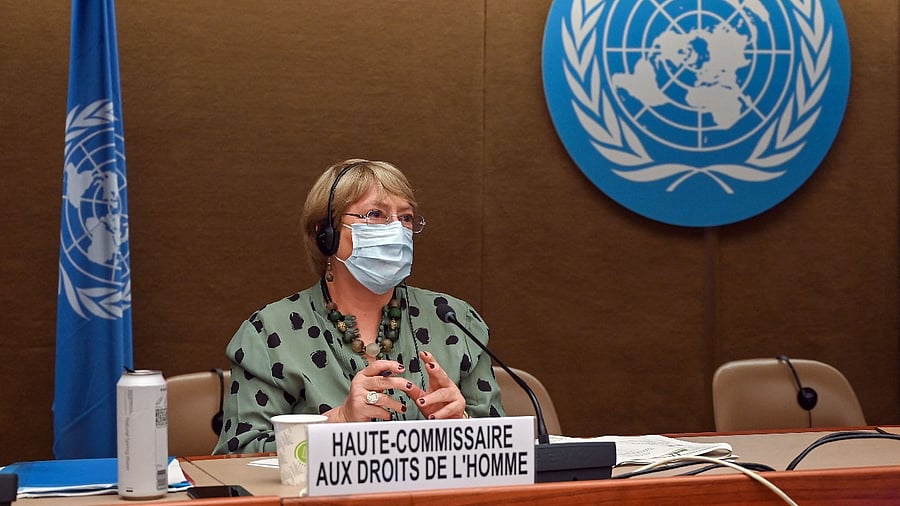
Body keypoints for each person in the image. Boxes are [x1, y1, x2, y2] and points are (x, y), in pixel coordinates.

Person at [213, 159, 505, 454]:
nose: (396, 230)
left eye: (405, 218)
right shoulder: (270, 332)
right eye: (376, 214)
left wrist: (462, 425)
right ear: (326, 234)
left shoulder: (454, 320)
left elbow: (503, 448)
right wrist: (337, 422)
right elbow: (236, 455)